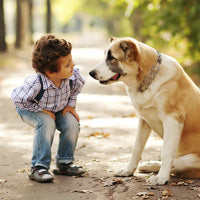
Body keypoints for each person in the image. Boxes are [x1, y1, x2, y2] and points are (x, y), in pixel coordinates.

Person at [11, 34, 85, 183]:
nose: (73, 66)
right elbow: (17, 98)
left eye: (71, 61)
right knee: (46, 122)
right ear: (51, 72)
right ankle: (38, 167)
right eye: (68, 64)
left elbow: (77, 88)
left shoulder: (73, 76)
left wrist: (71, 105)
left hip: (58, 107)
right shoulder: (36, 83)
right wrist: (38, 109)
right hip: (30, 108)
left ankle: (64, 163)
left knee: (72, 124)